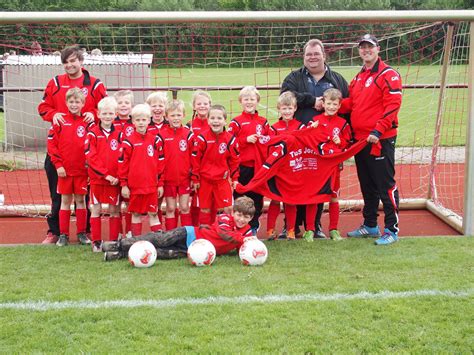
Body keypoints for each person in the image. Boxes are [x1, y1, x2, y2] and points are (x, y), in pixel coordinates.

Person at [38, 45, 107, 244]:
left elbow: (105, 108)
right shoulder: (56, 83)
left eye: (73, 61)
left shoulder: (94, 84)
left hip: (86, 151)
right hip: (60, 150)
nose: (69, 65)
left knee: (83, 196)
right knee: (57, 194)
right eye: (66, 62)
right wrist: (54, 114)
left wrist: (93, 114)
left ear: (81, 61)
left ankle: (83, 231)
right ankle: (56, 232)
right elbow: (43, 107)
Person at [281, 38, 349, 239]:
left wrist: (342, 144)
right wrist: (313, 101)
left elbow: (345, 109)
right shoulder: (293, 78)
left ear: (324, 56)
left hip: (325, 147)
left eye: (316, 54)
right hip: (299, 143)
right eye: (308, 54)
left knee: (320, 185)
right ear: (304, 57)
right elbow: (286, 96)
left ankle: (315, 225)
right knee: (294, 182)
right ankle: (291, 226)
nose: (312, 58)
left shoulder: (337, 79)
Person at [341, 34, 402, 246]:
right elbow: (352, 105)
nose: (366, 50)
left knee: (385, 185)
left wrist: (378, 131)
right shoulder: (359, 77)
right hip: (360, 141)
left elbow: (393, 106)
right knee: (367, 185)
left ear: (378, 49)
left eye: (370, 47)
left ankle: (392, 229)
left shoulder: (388, 74)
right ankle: (370, 225)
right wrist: (330, 105)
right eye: (363, 47)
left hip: (379, 140)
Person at [102, 196, 256, 261]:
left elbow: (243, 247)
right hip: (190, 234)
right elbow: (225, 234)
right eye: (239, 215)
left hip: (198, 250)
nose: (241, 219)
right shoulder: (225, 218)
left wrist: (247, 253)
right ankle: (119, 244)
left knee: (164, 253)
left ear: (250, 218)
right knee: (161, 239)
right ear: (233, 212)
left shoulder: (248, 231)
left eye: (246, 217)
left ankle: (120, 254)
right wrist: (243, 239)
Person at [47, 88, 94, 246]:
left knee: (81, 200)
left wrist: (89, 166)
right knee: (65, 201)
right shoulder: (59, 121)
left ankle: (81, 233)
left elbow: (93, 146)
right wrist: (58, 165)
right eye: (71, 102)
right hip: (64, 171)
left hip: (81, 171)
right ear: (66, 103)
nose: (74, 104)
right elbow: (52, 146)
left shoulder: (87, 122)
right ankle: (63, 235)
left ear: (83, 103)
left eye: (77, 102)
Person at [304, 88, 351, 242]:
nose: (331, 107)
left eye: (335, 104)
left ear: (339, 106)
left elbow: (347, 145)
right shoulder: (315, 121)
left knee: (333, 198)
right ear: (323, 104)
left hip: (334, 168)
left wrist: (341, 142)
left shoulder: (343, 124)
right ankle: (309, 230)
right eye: (329, 103)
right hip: (318, 167)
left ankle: (333, 229)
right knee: (314, 197)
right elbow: (307, 141)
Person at [228, 86, 269, 234]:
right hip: (241, 167)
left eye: (252, 99)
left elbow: (270, 142)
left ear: (257, 101)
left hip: (258, 168)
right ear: (241, 101)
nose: (249, 102)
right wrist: (245, 140)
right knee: (240, 197)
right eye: (246, 99)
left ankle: (253, 227)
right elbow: (229, 143)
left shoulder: (263, 122)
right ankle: (238, 227)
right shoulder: (236, 122)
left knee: (256, 198)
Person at [118, 104, 164, 236]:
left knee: (153, 213)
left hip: (151, 185)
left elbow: (161, 164)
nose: (141, 123)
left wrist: (160, 183)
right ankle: (136, 242)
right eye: (138, 120)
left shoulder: (155, 140)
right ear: (133, 122)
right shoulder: (128, 142)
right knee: (136, 213)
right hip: (135, 186)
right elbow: (123, 165)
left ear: (149, 120)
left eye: (144, 120)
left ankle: (158, 242)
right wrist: (124, 185)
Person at [191, 104, 240, 226]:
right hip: (205, 180)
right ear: (208, 120)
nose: (216, 121)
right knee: (205, 209)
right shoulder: (202, 138)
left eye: (219, 118)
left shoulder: (230, 140)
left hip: (222, 181)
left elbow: (234, 161)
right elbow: (195, 160)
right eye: (212, 118)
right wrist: (195, 179)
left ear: (225, 121)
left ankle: (226, 233)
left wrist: (235, 179)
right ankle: (205, 236)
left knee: (227, 208)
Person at [85, 97, 122, 252]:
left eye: (110, 113)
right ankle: (96, 242)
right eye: (104, 113)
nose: (107, 116)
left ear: (115, 115)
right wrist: (106, 175)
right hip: (98, 179)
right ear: (98, 114)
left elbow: (123, 156)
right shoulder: (92, 134)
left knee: (114, 210)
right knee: (96, 209)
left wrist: (119, 176)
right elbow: (90, 156)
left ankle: (113, 241)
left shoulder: (120, 134)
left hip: (115, 180)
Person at [266, 92, 304, 241]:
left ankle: (291, 230)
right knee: (275, 200)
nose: (287, 111)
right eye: (284, 109)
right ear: (279, 109)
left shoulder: (301, 127)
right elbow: (268, 147)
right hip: (278, 171)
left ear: (295, 109)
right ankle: (270, 231)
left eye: (290, 108)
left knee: (291, 201)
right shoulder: (274, 128)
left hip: (294, 170)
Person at [158, 99, 194, 230]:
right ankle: (171, 237)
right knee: (170, 208)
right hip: (168, 179)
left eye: (179, 115)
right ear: (166, 116)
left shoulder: (188, 135)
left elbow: (193, 158)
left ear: (184, 115)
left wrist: (193, 176)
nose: (176, 118)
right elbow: (159, 159)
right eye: (172, 115)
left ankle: (187, 236)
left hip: (185, 178)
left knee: (184, 207)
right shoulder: (161, 135)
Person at [112, 90, 135, 236]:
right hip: (113, 172)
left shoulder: (135, 123)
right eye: (120, 103)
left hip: (130, 172)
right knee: (115, 205)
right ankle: (117, 234)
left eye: (126, 103)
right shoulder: (109, 123)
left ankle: (129, 233)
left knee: (129, 204)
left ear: (132, 106)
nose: (123, 105)